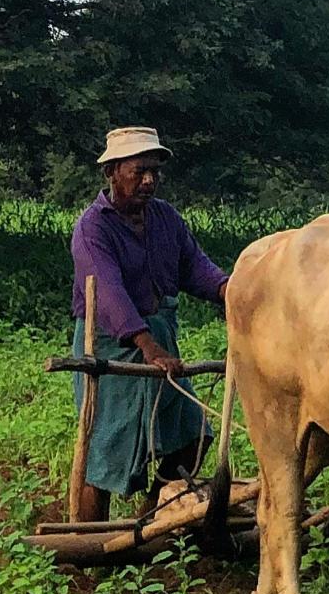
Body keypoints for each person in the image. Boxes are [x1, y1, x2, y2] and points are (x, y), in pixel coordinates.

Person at [69, 126, 230, 518]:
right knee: (105, 448)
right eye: (139, 171)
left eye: (154, 172)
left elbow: (196, 267)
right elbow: (108, 294)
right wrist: (147, 346)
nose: (149, 180)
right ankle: (89, 543)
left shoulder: (165, 219)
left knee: (192, 434)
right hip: (111, 343)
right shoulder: (93, 228)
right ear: (112, 172)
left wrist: (232, 291)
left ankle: (152, 515)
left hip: (158, 342)